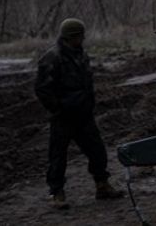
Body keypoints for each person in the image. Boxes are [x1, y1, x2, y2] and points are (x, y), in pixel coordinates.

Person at [34, 17, 124, 209]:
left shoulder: (80, 54)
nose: (82, 39)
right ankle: (56, 193)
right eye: (80, 36)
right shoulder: (52, 57)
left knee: (97, 151)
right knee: (58, 157)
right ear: (71, 37)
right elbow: (42, 89)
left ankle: (102, 185)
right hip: (63, 117)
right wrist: (58, 108)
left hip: (83, 114)